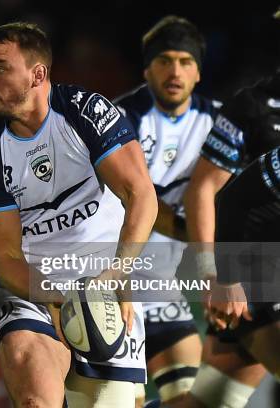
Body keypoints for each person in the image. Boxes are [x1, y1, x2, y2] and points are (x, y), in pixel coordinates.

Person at [0, 22, 157, 407]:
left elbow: (141, 195)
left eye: (0, 68)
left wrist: (117, 274)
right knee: (38, 399)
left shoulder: (84, 113)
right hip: (32, 289)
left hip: (103, 283)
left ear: (38, 74)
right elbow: (6, 259)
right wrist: (58, 297)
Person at [114, 16, 217, 405]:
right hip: (115, 284)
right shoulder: (121, 120)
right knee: (125, 402)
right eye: (164, 60)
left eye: (185, 62)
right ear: (147, 69)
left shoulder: (219, 123)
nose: (175, 71)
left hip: (162, 288)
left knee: (190, 399)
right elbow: (135, 203)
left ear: (198, 72)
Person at [182, 69, 280, 408]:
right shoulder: (252, 106)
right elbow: (209, 191)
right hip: (255, 268)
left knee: (210, 400)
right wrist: (216, 275)